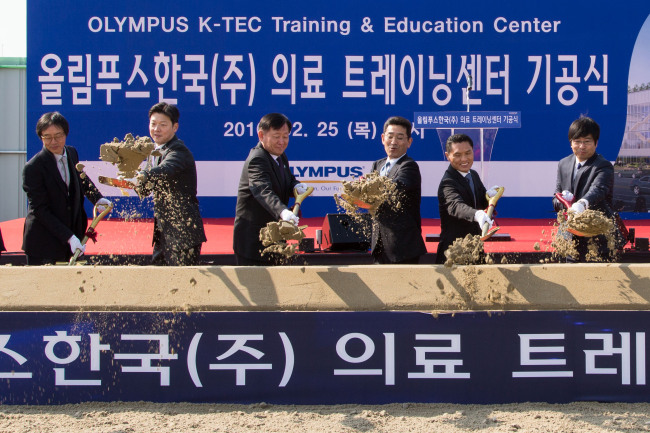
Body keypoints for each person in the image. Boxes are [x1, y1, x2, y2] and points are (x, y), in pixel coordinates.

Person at [22, 112, 111, 265]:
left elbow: (82, 179)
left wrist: (97, 198)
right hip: (43, 241)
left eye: (58, 135)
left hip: (70, 234)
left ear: (66, 134)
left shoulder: (71, 153)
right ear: (40, 137)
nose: (53, 141)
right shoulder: (33, 167)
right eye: (47, 137)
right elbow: (40, 209)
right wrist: (69, 237)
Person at [135, 102, 206, 266]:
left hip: (183, 232)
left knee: (181, 283)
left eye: (162, 125)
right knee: (160, 281)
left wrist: (142, 176)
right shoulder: (154, 151)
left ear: (175, 127)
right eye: (153, 124)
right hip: (163, 232)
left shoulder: (178, 151)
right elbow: (146, 189)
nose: (156, 129)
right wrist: (133, 182)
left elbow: (166, 169)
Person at [233, 113, 308, 266]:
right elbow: (262, 190)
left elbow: (286, 179)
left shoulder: (280, 155)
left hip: (275, 238)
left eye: (285, 136)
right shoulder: (257, 158)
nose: (281, 142)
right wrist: (283, 211)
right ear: (261, 135)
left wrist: (295, 186)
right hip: (254, 242)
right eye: (276, 136)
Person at [553, 116, 616, 261]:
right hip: (569, 236)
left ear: (596, 143)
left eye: (587, 141)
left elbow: (599, 190)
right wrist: (563, 202)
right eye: (577, 141)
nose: (582, 146)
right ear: (571, 143)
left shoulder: (603, 166)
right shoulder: (563, 164)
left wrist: (581, 204)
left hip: (597, 237)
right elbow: (556, 195)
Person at [370, 116, 427, 264]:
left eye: (400, 137)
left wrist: (367, 192)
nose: (394, 142)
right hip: (380, 245)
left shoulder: (409, 166)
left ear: (409, 142)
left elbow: (394, 188)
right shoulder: (377, 165)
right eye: (390, 136)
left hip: (403, 247)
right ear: (383, 138)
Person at [436, 133, 498, 264]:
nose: (464, 159)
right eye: (457, 155)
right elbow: (456, 206)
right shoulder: (447, 182)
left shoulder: (473, 175)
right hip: (453, 253)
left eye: (468, 153)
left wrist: (489, 197)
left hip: (475, 248)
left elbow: (479, 201)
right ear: (448, 156)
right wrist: (477, 214)